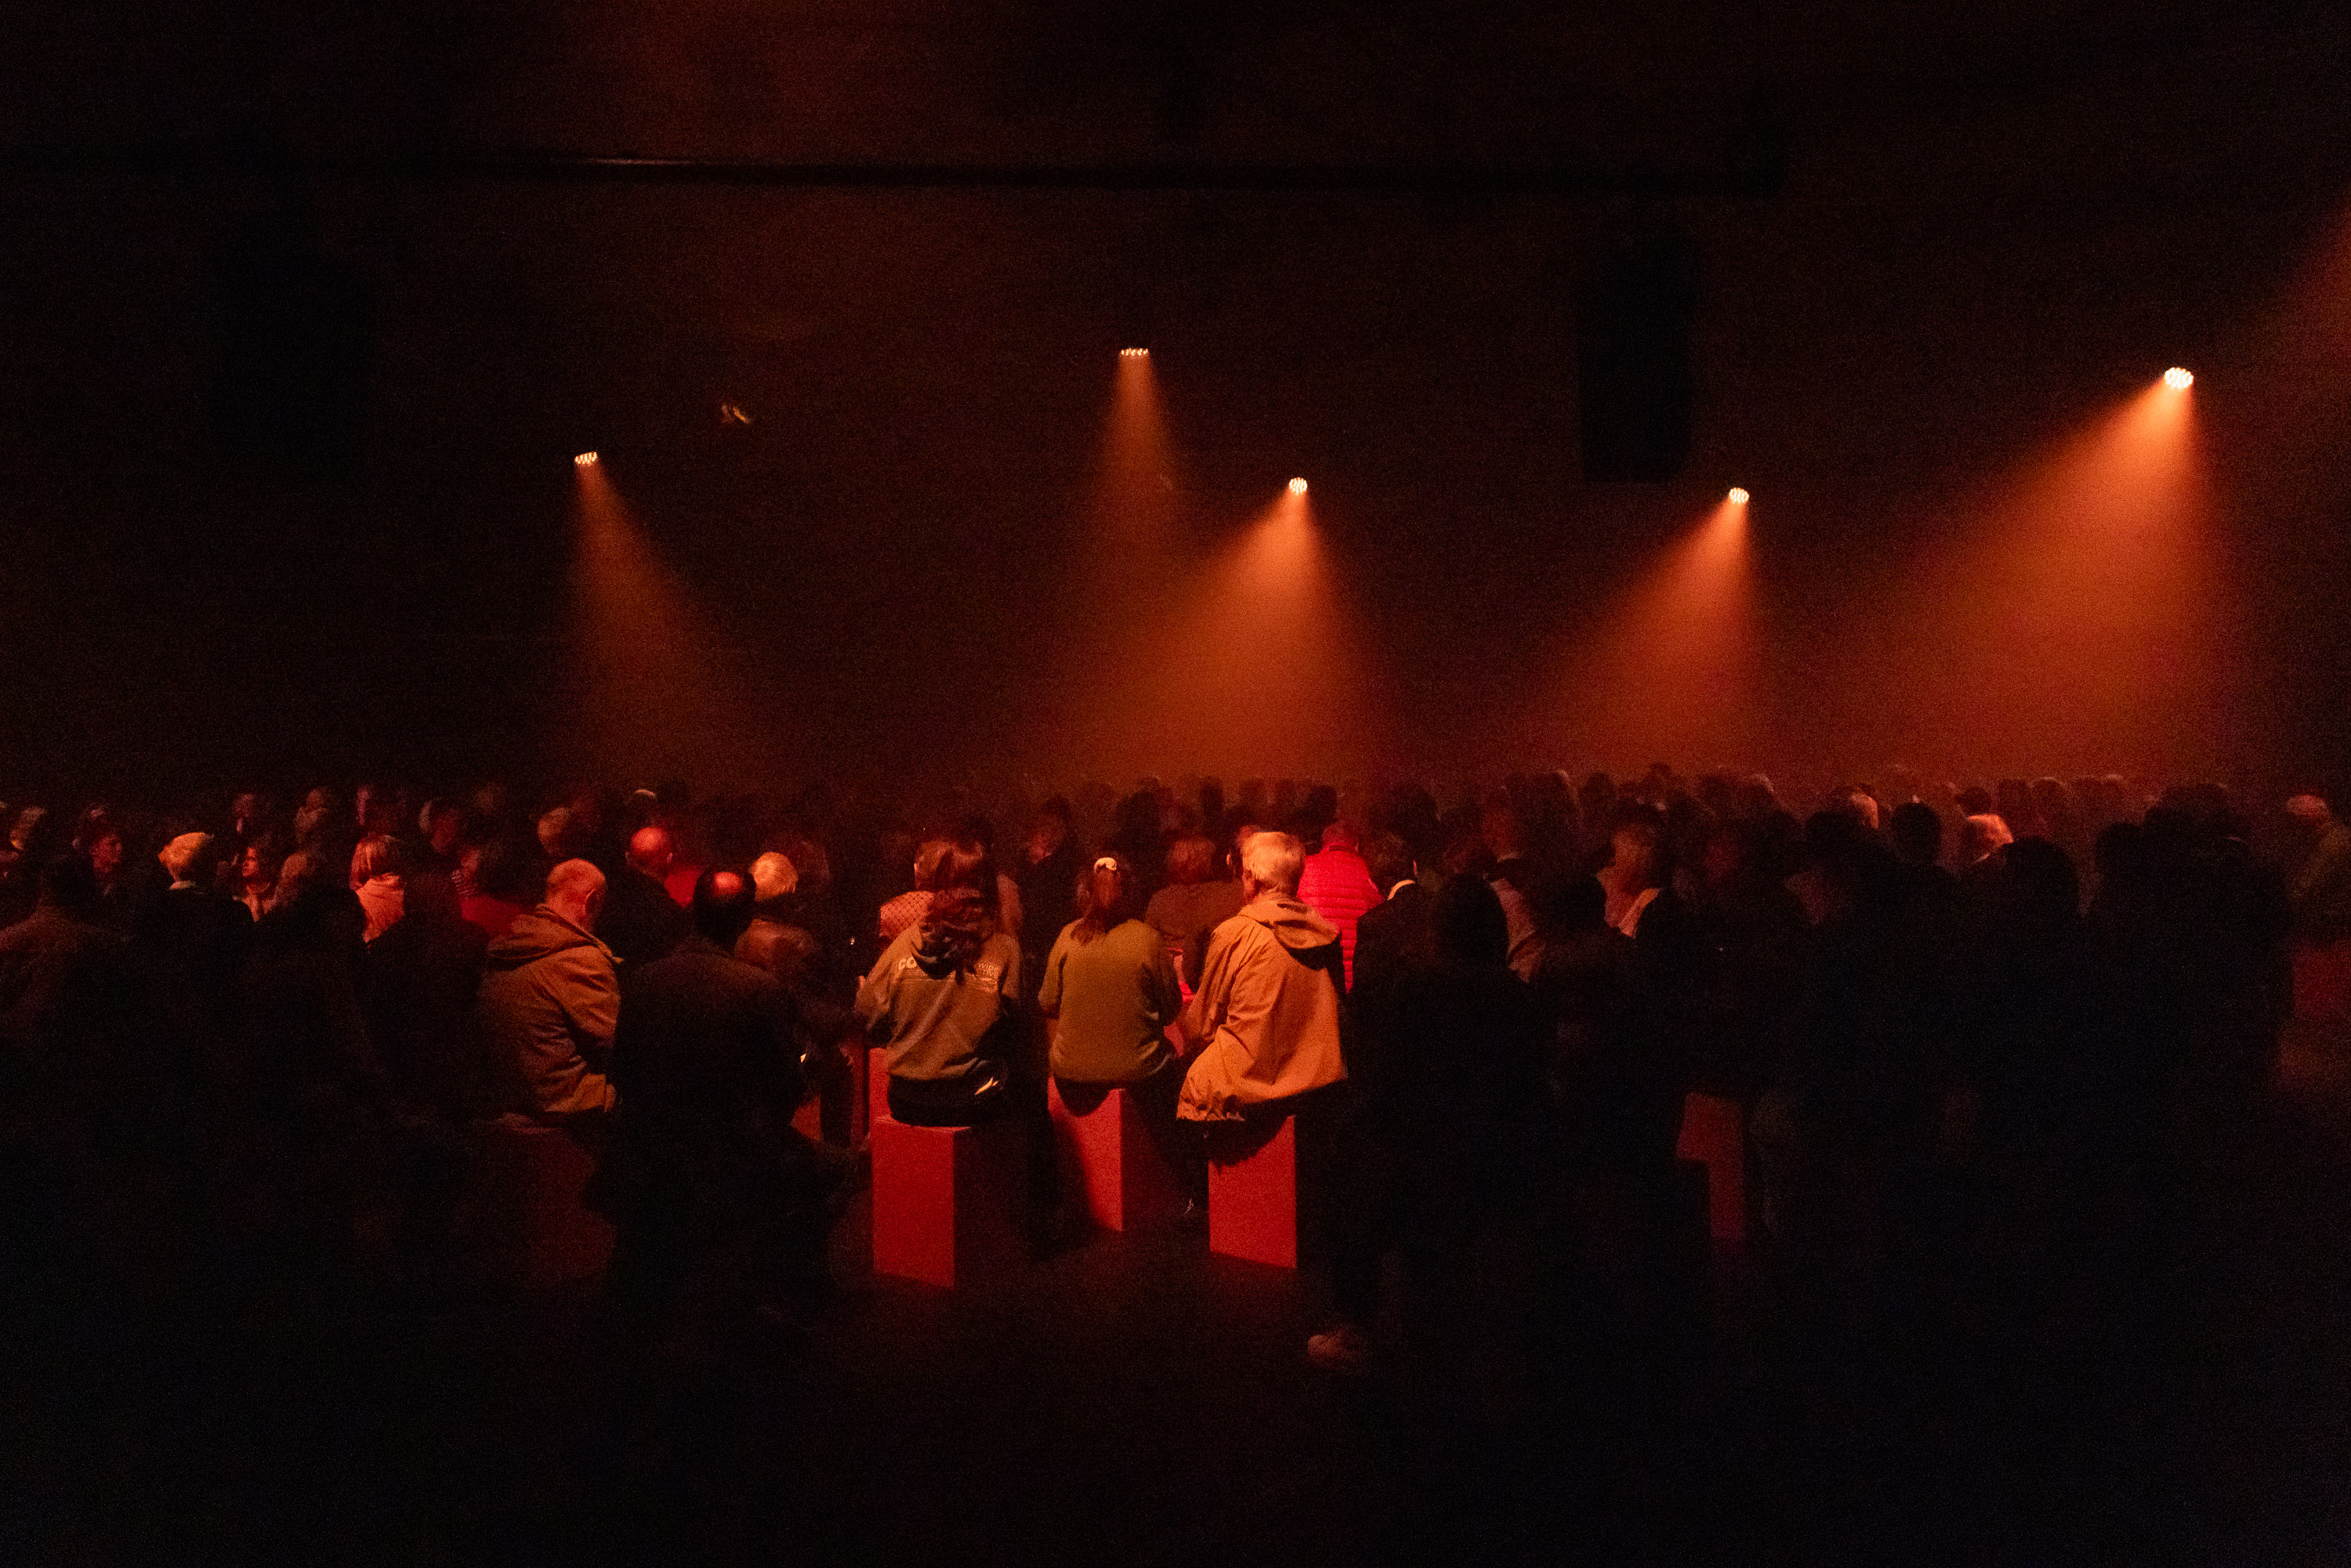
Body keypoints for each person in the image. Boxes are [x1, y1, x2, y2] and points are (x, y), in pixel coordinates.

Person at [601, 869, 849, 1337]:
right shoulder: (758, 989)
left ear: (693, 910)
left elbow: (623, 1069)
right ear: (745, 920)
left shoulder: (642, 980)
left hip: (648, 1148)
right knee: (840, 1168)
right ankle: (778, 1289)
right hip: (734, 1152)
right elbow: (784, 1090)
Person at [857, 838, 1031, 1128]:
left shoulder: (904, 944)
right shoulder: (1006, 952)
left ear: (937, 888)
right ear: (991, 890)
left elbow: (867, 1014)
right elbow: (1021, 1035)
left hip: (907, 1100)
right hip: (973, 1099)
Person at [1176, 831, 1348, 1124]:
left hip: (1244, 1090)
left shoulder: (1234, 934)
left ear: (1252, 879)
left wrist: (1180, 996)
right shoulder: (1326, 935)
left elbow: (1200, 1029)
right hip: (1317, 1085)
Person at [1038, 856, 1188, 1186]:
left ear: (1084, 893)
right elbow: (1170, 1010)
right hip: (1141, 1072)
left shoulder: (1067, 936)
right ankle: (1183, 1182)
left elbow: (1048, 1002)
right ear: (1131, 893)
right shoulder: (1148, 939)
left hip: (1072, 1076)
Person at [479, 858, 620, 1123]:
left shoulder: (508, 946)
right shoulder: (580, 960)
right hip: (569, 1109)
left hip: (507, 1103)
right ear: (591, 900)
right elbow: (618, 1043)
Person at [1144, 832, 1244, 991]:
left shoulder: (1160, 899)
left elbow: (1149, 947)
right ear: (1206, 861)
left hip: (1171, 983)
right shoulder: (1225, 894)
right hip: (1207, 979)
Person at [1296, 819, 1382, 990]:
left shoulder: (1305, 868)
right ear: (1356, 844)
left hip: (1316, 974)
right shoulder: (1368, 871)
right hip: (1356, 977)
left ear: (1324, 843)